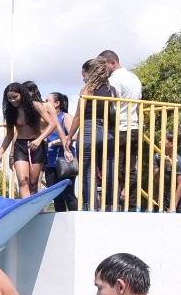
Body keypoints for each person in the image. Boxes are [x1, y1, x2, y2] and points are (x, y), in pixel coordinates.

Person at [65, 58, 116, 210]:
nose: (83, 78)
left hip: (88, 130)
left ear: (90, 72)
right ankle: (111, 205)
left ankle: (90, 206)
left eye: (84, 74)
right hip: (107, 132)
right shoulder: (112, 90)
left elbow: (79, 115)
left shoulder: (87, 89)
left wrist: (69, 137)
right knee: (109, 171)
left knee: (88, 171)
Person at [2, 80, 63, 196]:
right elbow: (10, 134)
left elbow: (52, 124)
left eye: (15, 97)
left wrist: (39, 139)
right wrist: (0, 151)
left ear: (22, 94)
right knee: (22, 181)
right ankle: (26, 210)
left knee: (33, 183)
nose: (12, 100)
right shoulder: (10, 111)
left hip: (37, 146)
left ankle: (36, 210)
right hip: (20, 146)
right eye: (9, 98)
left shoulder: (36, 106)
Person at [101, 50, 144, 210]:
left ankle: (113, 204)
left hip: (120, 128)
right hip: (134, 127)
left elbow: (112, 105)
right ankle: (131, 205)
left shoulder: (114, 79)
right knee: (130, 169)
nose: (102, 69)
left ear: (112, 63)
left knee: (114, 168)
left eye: (103, 65)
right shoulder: (134, 77)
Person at [41, 91, 77, 212]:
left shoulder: (65, 117)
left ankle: (74, 219)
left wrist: (55, 142)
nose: (45, 103)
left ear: (57, 104)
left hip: (64, 160)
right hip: (50, 160)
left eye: (47, 101)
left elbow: (74, 136)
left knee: (68, 194)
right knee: (55, 196)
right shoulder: (46, 119)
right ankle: (59, 221)